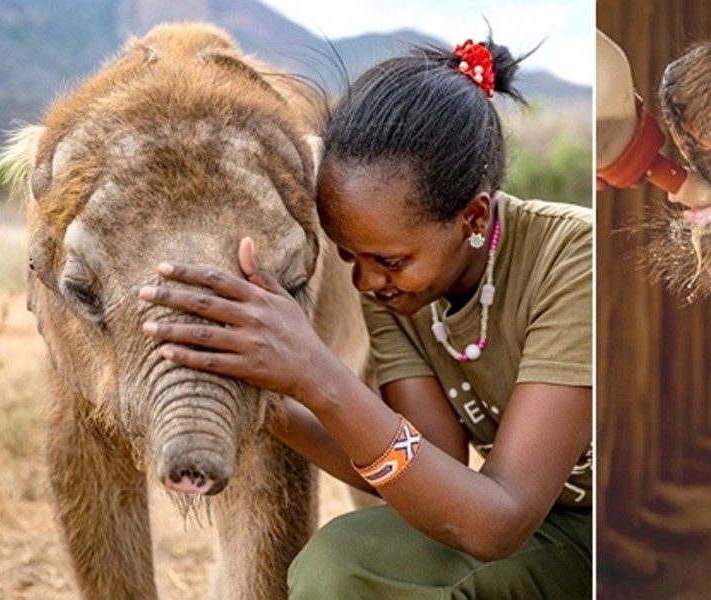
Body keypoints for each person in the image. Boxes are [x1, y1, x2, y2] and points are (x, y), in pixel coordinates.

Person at [138, 35, 593, 598]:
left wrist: (315, 374)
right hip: (552, 527)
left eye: (389, 260)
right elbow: (424, 461)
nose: (365, 282)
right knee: (343, 563)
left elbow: (495, 521)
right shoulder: (401, 290)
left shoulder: (574, 260)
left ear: (473, 216)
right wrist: (264, 397)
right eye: (348, 256)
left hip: (643, 533)